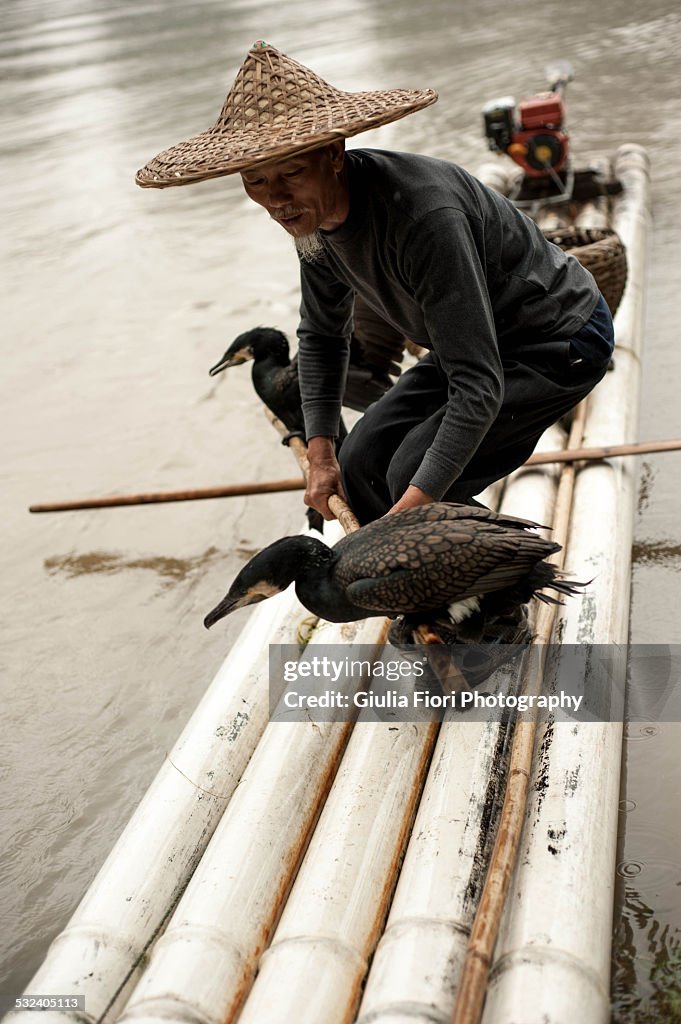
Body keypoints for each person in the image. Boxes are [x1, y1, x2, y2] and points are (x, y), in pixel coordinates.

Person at [137, 41, 614, 527]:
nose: (275, 199)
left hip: (554, 337)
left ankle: (502, 591)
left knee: (413, 473)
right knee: (359, 462)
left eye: (292, 173)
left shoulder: (423, 217)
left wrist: (405, 515)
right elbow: (322, 335)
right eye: (255, 181)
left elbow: (478, 382)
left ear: (333, 153)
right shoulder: (312, 220)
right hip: (470, 344)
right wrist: (322, 453)